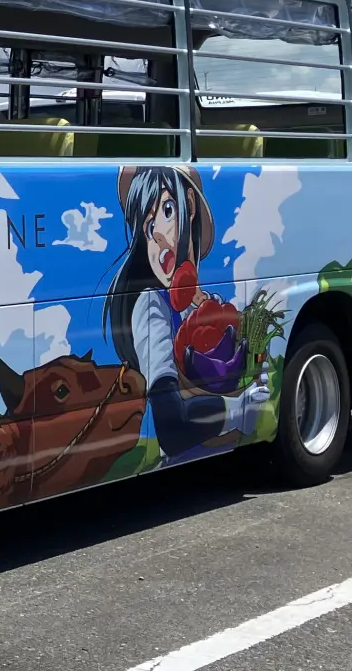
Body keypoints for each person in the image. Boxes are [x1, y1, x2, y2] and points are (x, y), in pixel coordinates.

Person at [104, 165, 269, 458]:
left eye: (167, 210)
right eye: (147, 225)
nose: (157, 235)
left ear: (189, 205)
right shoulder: (152, 306)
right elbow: (171, 428)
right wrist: (238, 408)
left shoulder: (213, 302)